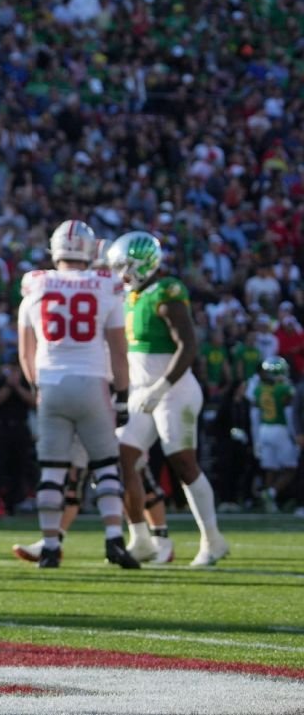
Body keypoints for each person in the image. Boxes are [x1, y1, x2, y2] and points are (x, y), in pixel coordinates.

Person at [16, 220, 138, 569]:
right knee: (106, 467)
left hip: (52, 383)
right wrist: (123, 396)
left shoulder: (35, 285)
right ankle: (114, 540)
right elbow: (118, 349)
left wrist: (38, 387)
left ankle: (51, 546)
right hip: (92, 383)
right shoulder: (105, 287)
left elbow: (26, 353)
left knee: (52, 471)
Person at [106, 232, 230, 566]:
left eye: (125, 267)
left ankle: (213, 540)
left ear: (145, 264)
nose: (121, 274)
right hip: (142, 393)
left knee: (183, 463)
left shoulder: (167, 291)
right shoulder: (130, 298)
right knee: (122, 457)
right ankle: (142, 539)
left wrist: (159, 388)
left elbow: (188, 347)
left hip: (174, 391)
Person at [246, 355, 297, 512]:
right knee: (291, 468)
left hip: (264, 429)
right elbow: (291, 406)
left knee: (271, 468)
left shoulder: (259, 388)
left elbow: (254, 406)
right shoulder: (284, 388)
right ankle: (271, 493)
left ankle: (269, 501)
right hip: (280, 428)